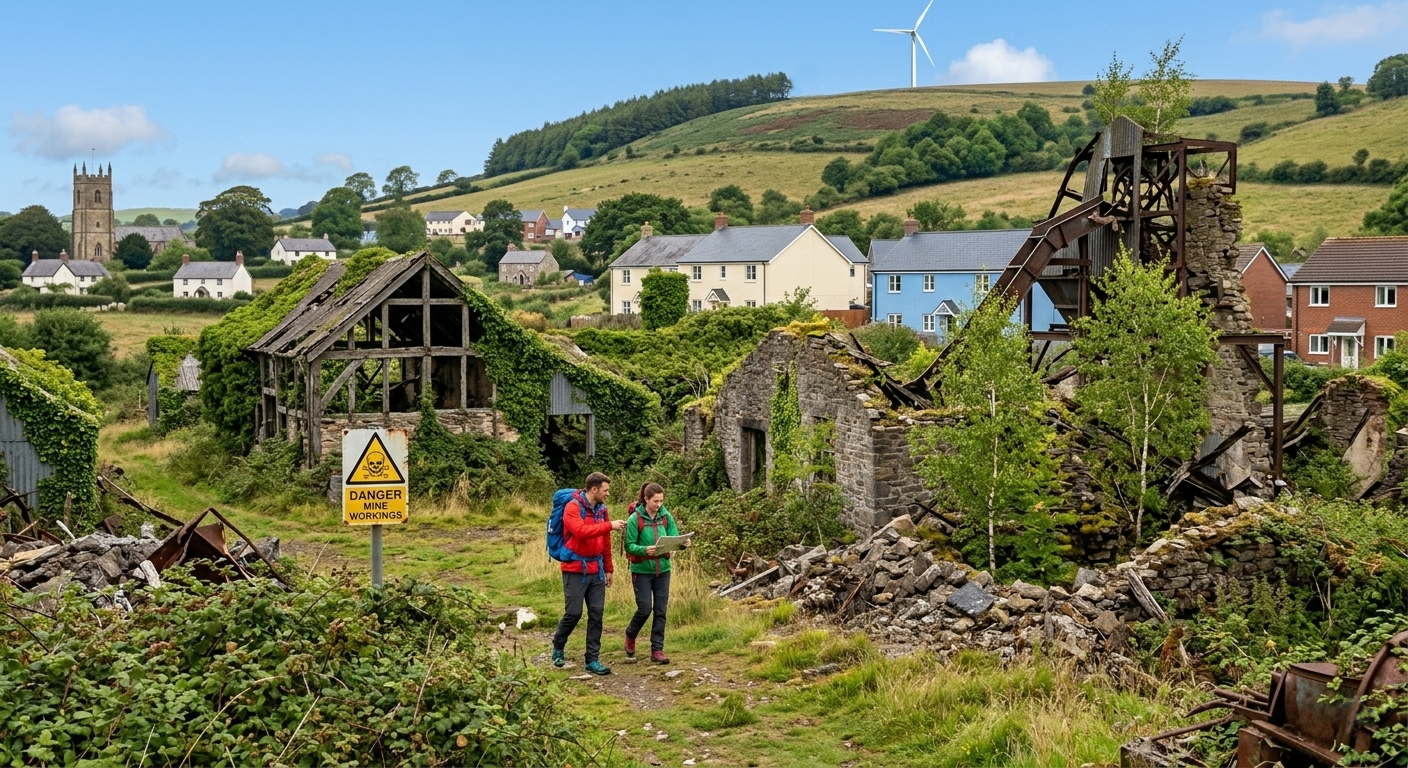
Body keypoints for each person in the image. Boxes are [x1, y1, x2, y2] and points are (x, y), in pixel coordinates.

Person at [551, 472, 624, 676]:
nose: (608, 494)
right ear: (594, 489)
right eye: (605, 490)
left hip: (597, 569)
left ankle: (592, 659)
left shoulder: (602, 510)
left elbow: (606, 542)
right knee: (573, 613)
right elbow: (580, 531)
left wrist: (609, 568)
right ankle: (558, 645)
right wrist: (609, 525)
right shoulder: (572, 507)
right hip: (574, 567)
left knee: (597, 613)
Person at [623, 482, 686, 664]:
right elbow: (629, 546)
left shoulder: (666, 517)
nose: (659, 505)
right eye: (655, 501)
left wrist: (682, 543)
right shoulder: (635, 519)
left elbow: (673, 536)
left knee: (661, 611)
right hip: (641, 570)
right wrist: (645, 550)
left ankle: (657, 650)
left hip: (663, 569)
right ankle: (630, 633)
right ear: (646, 499)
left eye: (661, 501)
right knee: (644, 609)